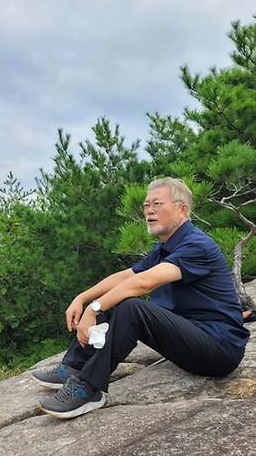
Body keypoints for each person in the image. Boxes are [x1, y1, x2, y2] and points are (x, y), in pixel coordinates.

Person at [32, 177, 250, 419]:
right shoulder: (165, 248)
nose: (149, 211)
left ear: (182, 209)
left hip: (219, 350)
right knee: (117, 299)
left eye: (157, 204)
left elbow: (143, 283)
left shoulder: (197, 245)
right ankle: (73, 366)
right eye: (146, 206)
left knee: (131, 306)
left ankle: (88, 388)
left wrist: (93, 309)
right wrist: (81, 298)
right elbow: (125, 277)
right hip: (190, 336)